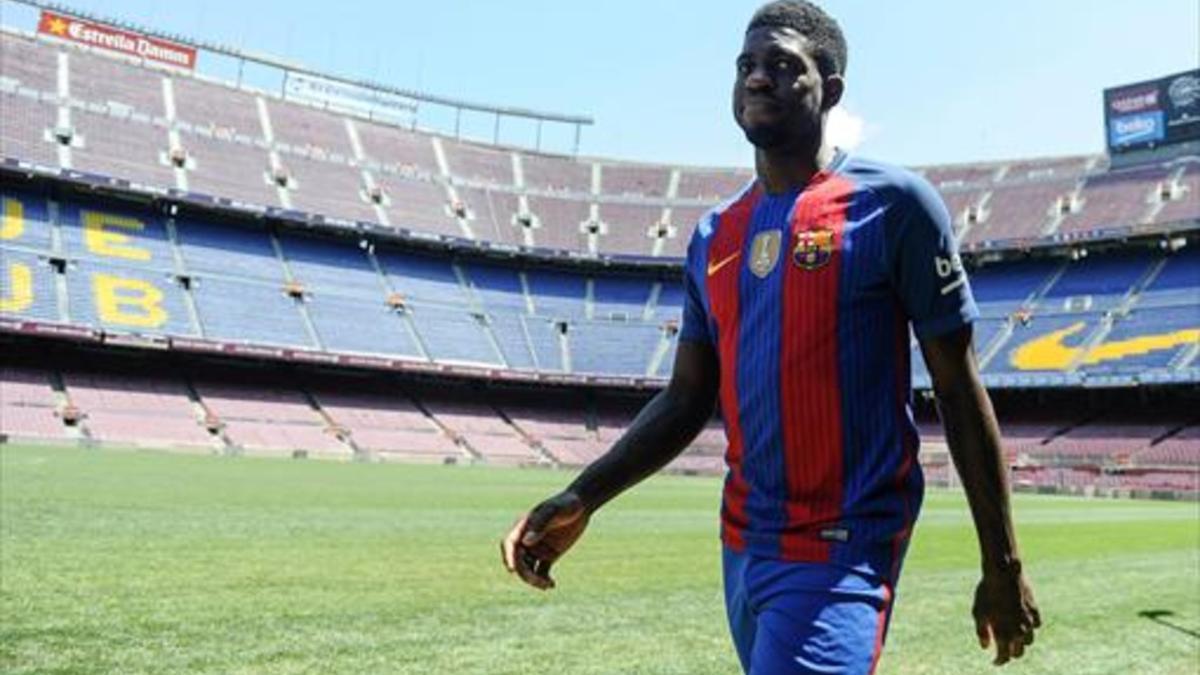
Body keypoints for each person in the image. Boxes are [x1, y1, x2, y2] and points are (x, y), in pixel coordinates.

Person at [500, 1, 1040, 672]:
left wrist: (1003, 562)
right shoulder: (714, 234)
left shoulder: (895, 205)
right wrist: (583, 495)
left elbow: (959, 391)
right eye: (747, 65)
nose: (758, 78)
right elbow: (686, 398)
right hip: (742, 544)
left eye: (783, 65)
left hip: (843, 543)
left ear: (830, 91)